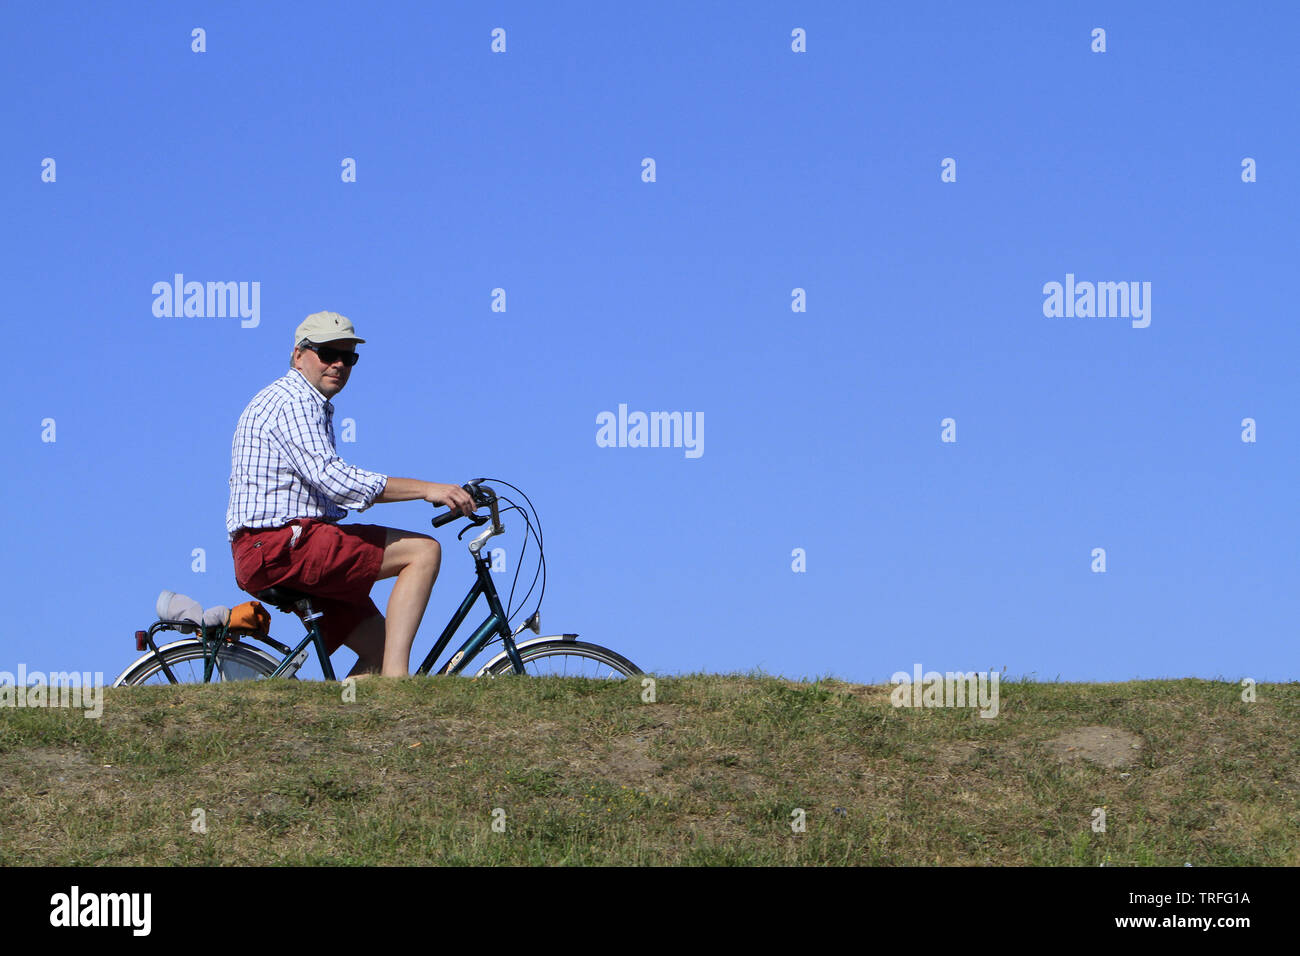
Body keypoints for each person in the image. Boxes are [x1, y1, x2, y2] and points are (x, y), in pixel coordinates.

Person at [226, 310, 476, 677]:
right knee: (423, 552)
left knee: (378, 647)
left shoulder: (307, 403)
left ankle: (344, 729)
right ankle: (398, 684)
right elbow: (335, 481)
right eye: (328, 354)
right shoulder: (294, 401)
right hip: (281, 545)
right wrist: (428, 489)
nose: (339, 364)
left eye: (349, 357)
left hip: (277, 549)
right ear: (298, 354)